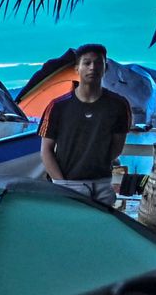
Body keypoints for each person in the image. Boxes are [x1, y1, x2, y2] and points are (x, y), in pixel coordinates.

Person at [38, 43, 131, 207]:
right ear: (77, 68)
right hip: (68, 184)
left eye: (98, 63)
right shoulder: (58, 106)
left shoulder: (118, 105)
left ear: (105, 68)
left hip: (102, 184)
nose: (92, 68)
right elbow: (46, 150)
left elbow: (117, 146)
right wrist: (61, 183)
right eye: (87, 63)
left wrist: (98, 163)